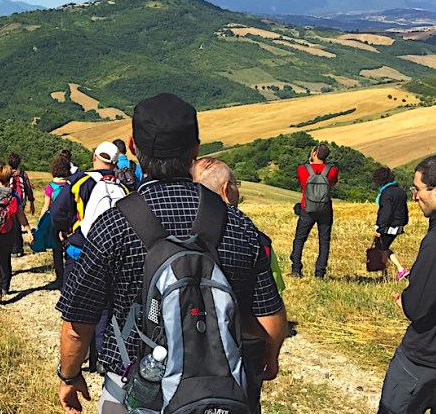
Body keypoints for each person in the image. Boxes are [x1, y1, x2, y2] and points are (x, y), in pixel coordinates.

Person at [56, 93, 287, 414]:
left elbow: (76, 325)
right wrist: (270, 358)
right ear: (196, 149)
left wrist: (68, 375)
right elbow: (271, 321)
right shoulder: (237, 224)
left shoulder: (113, 225)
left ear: (133, 146)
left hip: (133, 388)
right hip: (217, 390)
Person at [192, 156, 286, 414]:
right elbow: (270, 312)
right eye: (236, 184)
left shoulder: (176, 227)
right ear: (226, 189)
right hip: (239, 353)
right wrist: (272, 355)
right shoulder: (250, 235)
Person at [51, 141, 122, 372]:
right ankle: (102, 356)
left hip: (80, 249)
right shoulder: (123, 183)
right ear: (115, 161)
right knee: (105, 306)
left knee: (77, 304)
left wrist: (64, 230)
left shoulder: (80, 181)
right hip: (113, 252)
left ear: (94, 156)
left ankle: (77, 357)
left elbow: (58, 211)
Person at [378, 155, 436, 413]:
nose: (414, 196)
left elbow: (417, 306)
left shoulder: (435, 242)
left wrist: (407, 298)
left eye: (418, 189)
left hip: (424, 358)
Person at [0, 164, 31, 304]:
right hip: (8, 231)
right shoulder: (13, 195)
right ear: (10, 178)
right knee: (5, 259)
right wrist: (27, 229)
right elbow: (20, 215)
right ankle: (5, 286)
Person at [289, 143, 339, 279]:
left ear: (315, 153)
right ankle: (319, 273)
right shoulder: (332, 170)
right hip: (325, 209)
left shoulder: (302, 169)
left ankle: (296, 269)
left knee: (299, 239)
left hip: (307, 208)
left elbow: (301, 183)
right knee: (324, 241)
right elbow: (332, 184)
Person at [372, 167, 410, 279]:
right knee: (384, 247)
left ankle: (395, 272)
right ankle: (396, 271)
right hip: (399, 224)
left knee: (381, 248)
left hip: (389, 225)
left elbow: (386, 211)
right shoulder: (400, 191)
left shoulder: (386, 193)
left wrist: (379, 227)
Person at [40, 155, 72, 284]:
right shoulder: (71, 184)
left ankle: (59, 277)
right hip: (70, 220)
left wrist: (40, 222)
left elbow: (46, 206)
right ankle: (70, 274)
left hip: (55, 221)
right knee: (70, 247)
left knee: (56, 249)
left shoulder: (50, 187)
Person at [8, 153, 35, 258]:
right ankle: (19, 248)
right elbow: (28, 187)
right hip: (21, 201)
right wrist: (31, 201)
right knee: (18, 224)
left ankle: (13, 248)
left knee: (11, 224)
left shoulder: (7, 173)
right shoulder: (23, 174)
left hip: (10, 201)